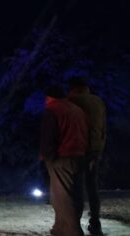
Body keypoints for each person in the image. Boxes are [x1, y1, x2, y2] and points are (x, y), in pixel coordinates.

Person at [40, 85, 88, 236]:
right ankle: (60, 228)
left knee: (62, 197)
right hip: (79, 155)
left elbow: (49, 136)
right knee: (74, 193)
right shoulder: (77, 110)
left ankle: (72, 231)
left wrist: (48, 158)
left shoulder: (53, 110)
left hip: (62, 157)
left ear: (49, 98)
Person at [67, 77, 107, 235]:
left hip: (77, 149)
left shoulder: (70, 101)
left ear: (74, 88)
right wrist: (99, 148)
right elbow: (103, 127)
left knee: (75, 188)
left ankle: (74, 225)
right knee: (92, 188)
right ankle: (95, 223)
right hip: (95, 150)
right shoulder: (98, 102)